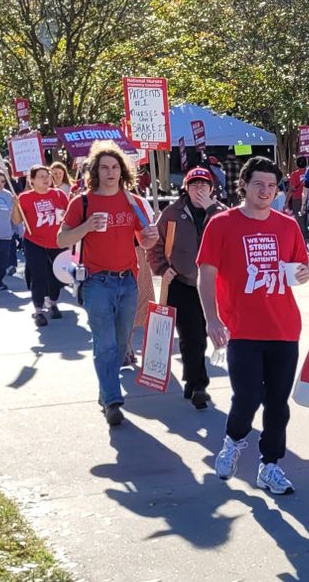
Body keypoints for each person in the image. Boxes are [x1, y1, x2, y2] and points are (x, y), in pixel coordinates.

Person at [198, 157, 309, 494]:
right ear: (244, 185)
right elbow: (206, 275)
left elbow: (300, 268)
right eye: (259, 184)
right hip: (242, 329)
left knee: (278, 402)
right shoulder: (221, 224)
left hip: (283, 328)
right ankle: (233, 441)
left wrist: (302, 274)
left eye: (272, 186)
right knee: (246, 396)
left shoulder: (287, 225)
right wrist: (212, 318)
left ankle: (270, 465)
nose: (265, 191)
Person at [58, 142, 160, 426]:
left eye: (115, 167)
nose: (111, 172)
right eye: (104, 167)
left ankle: (106, 391)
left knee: (119, 342)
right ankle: (113, 400)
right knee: (104, 344)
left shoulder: (133, 201)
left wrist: (152, 235)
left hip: (127, 281)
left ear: (123, 171)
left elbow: (145, 241)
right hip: (96, 282)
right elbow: (61, 239)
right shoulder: (82, 202)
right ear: (95, 171)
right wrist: (87, 226)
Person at [149, 167, 226, 410]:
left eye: (204, 185)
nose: (199, 189)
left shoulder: (221, 214)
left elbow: (232, 243)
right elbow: (154, 245)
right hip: (182, 283)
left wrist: (211, 210)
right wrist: (162, 268)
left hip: (213, 285)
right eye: (194, 185)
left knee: (204, 334)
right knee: (192, 337)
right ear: (186, 188)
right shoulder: (171, 214)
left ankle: (192, 380)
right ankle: (199, 385)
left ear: (212, 189)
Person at [18, 165, 69, 326]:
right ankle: (38, 310)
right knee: (38, 276)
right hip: (34, 242)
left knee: (57, 275)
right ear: (32, 180)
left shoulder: (59, 194)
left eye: (47, 175)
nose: (46, 178)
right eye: (41, 176)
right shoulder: (24, 198)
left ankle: (53, 303)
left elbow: (69, 216)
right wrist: (14, 205)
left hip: (57, 241)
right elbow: (16, 221)